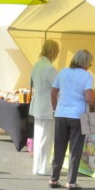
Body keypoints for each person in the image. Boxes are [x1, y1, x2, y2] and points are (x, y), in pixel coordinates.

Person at [50, 49, 95, 190]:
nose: (90, 66)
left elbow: (53, 92)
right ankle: (71, 182)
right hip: (77, 116)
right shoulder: (87, 76)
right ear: (86, 63)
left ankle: (54, 179)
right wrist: (92, 108)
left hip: (61, 114)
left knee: (59, 148)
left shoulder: (63, 72)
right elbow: (89, 98)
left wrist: (55, 108)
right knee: (75, 150)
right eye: (90, 63)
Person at [29, 39, 59, 176]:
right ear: (54, 52)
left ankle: (37, 166)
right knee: (46, 139)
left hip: (38, 105)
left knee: (39, 137)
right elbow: (58, 88)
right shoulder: (49, 68)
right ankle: (42, 168)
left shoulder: (37, 65)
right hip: (47, 107)